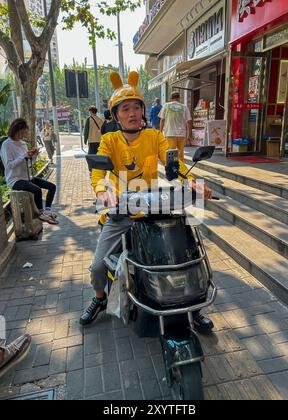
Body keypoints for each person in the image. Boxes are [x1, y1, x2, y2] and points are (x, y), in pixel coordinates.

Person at [80, 70, 214, 333]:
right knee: (97, 265)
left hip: (155, 207)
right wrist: (101, 191)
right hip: (122, 210)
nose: (132, 113)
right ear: (116, 115)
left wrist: (194, 182)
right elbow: (98, 173)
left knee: (187, 254)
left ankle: (194, 307)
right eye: (125, 109)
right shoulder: (109, 140)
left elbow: (176, 164)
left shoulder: (155, 137)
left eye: (136, 108)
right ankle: (99, 297)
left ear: (143, 111)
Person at [0, 118, 58, 225]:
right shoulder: (6, 145)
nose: (23, 135)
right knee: (36, 190)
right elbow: (9, 166)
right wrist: (24, 155)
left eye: (25, 133)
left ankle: (47, 211)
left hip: (27, 177)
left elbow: (28, 164)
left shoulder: (22, 144)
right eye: (22, 132)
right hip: (15, 180)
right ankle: (40, 214)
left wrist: (34, 156)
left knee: (52, 187)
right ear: (16, 130)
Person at [159, 92, 193, 161]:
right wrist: (189, 134)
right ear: (179, 98)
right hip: (181, 134)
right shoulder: (184, 107)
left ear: (171, 98)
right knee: (180, 154)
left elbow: (162, 120)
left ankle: (172, 170)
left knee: (171, 154)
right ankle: (181, 170)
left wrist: (160, 132)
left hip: (170, 133)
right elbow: (189, 121)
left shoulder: (166, 106)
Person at [84, 106, 104, 173]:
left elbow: (86, 131)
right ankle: (98, 169)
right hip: (99, 141)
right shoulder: (100, 119)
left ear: (91, 112)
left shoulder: (89, 119)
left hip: (92, 140)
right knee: (98, 155)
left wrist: (85, 140)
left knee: (90, 156)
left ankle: (91, 169)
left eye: (90, 111)